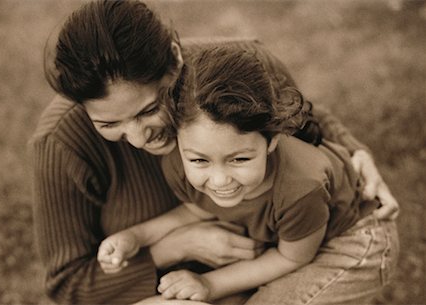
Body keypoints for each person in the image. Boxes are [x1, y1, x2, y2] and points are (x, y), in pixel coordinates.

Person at [31, 0, 399, 304]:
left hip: (295, 251)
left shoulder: (241, 70)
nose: (139, 138)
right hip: (188, 284)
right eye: (108, 124)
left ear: (175, 60)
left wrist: (356, 154)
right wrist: (171, 247)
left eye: (148, 110)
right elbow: (68, 285)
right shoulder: (61, 143)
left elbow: (307, 119)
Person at [97, 47, 400, 304]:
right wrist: (135, 237)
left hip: (353, 243)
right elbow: (194, 210)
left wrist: (209, 284)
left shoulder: (300, 187)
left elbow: (292, 258)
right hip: (286, 243)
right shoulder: (179, 162)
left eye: (239, 159)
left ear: (273, 140)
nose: (219, 180)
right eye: (200, 160)